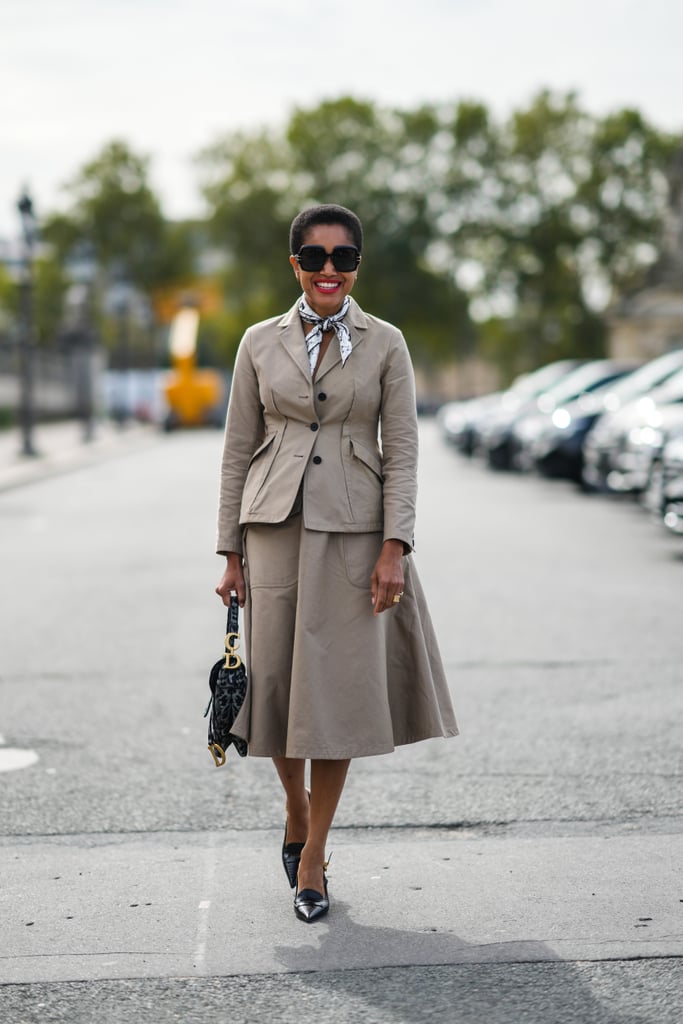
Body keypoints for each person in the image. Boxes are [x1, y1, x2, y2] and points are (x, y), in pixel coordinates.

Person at [215, 204, 458, 923]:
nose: (329, 270)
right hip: (273, 529)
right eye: (315, 257)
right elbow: (236, 447)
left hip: (355, 533)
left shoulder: (386, 344)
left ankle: (313, 854)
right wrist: (228, 549)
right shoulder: (258, 343)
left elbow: (404, 449)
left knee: (338, 693)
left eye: (343, 258)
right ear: (294, 264)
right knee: (281, 688)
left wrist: (397, 546)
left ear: (357, 265)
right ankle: (294, 808)